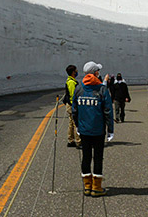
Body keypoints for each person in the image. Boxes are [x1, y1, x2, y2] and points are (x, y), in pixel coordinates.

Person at [73, 61, 114, 196]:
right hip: (98, 130)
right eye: (97, 71)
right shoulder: (102, 90)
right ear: (95, 73)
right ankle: (96, 187)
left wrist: (78, 125)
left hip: (84, 130)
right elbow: (108, 111)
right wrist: (110, 130)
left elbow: (74, 110)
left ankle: (87, 186)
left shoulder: (79, 89)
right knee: (97, 157)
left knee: (86, 157)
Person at [63, 64, 81, 148]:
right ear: (73, 72)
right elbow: (73, 95)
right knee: (75, 123)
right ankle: (78, 141)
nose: (77, 72)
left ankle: (70, 140)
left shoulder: (70, 81)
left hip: (70, 105)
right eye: (76, 70)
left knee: (71, 123)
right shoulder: (71, 82)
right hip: (72, 105)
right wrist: (75, 105)